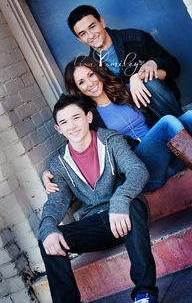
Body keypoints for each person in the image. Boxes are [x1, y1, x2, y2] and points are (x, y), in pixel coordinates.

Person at [43, 56, 192, 207]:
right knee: (168, 122)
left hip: (171, 157)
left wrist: (136, 77)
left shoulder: (127, 92)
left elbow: (166, 69)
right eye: (81, 82)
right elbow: (77, 148)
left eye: (91, 75)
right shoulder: (90, 120)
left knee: (191, 117)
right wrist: (50, 172)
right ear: (77, 90)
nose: (90, 83)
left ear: (98, 72)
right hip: (146, 171)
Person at [38, 94, 159, 303]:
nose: (72, 126)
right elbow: (56, 202)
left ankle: (144, 294)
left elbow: (138, 171)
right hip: (96, 225)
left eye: (76, 118)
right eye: (64, 122)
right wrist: (48, 228)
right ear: (59, 129)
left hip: (127, 216)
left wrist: (119, 200)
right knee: (48, 237)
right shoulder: (59, 163)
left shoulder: (110, 140)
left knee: (133, 206)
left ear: (88, 117)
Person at [67, 4, 183, 117]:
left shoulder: (135, 38)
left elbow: (175, 67)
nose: (91, 35)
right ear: (79, 39)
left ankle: (182, 129)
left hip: (163, 106)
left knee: (150, 84)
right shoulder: (90, 66)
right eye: (83, 33)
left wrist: (151, 65)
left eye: (92, 26)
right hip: (134, 115)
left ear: (102, 22)